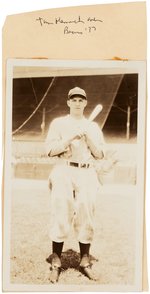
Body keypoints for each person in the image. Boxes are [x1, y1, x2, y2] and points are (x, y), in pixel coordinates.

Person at [45, 86, 104, 283]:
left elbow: (100, 154)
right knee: (61, 211)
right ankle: (56, 261)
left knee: (86, 213)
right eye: (74, 100)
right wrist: (69, 138)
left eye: (81, 100)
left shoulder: (92, 127)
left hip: (87, 171)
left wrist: (87, 138)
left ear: (85, 103)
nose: (77, 103)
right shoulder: (59, 123)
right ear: (68, 102)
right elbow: (49, 150)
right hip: (64, 169)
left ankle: (85, 261)